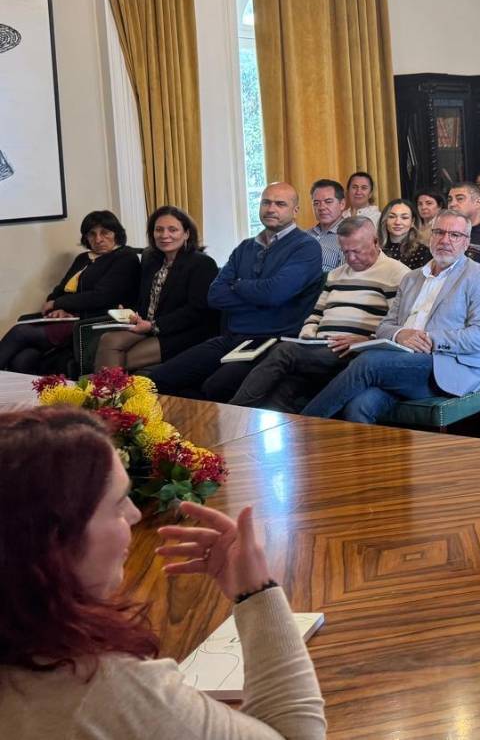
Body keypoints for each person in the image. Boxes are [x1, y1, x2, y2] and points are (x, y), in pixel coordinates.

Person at [0, 407, 327, 739]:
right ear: (53, 541)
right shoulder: (101, 693)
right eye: (118, 504)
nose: (135, 515)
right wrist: (257, 591)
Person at [300, 211, 480, 424]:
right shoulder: (411, 278)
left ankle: (303, 427)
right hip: (402, 361)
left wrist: (429, 339)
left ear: (466, 242)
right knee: (359, 406)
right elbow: (385, 326)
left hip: (445, 365)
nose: (445, 240)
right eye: (439, 232)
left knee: (368, 362)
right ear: (430, 236)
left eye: (455, 235)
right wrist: (401, 334)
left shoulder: (479, 276)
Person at [150, 182, 322, 402]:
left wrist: (239, 285)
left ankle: (210, 421)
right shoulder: (245, 247)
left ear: (295, 210)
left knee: (215, 387)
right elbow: (215, 295)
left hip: (271, 341)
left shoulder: (306, 247)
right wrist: (261, 296)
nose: (271, 209)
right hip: (232, 337)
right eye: (266, 202)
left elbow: (274, 294)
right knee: (157, 380)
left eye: (280, 204)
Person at [232, 217, 409, 414]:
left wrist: (369, 340)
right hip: (319, 347)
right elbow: (315, 315)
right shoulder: (336, 274)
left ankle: (235, 412)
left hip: (354, 352)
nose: (351, 258)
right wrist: (308, 337)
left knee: (284, 351)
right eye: (345, 252)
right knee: (282, 392)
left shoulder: (397, 274)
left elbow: (397, 325)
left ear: (375, 242)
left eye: (356, 251)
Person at [0, 210, 141, 374]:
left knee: (20, 332)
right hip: (70, 318)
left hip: (94, 321)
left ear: (116, 233)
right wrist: (58, 308)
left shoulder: (125, 257)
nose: (98, 239)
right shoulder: (83, 258)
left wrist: (59, 303)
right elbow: (60, 289)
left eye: (105, 233)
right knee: (23, 358)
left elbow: (102, 296)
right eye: (92, 234)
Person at [94, 206, 219, 372]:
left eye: (172, 230)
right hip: (148, 327)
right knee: (108, 339)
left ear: (186, 234)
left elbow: (197, 311)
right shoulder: (151, 261)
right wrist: (131, 312)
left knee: (119, 359)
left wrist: (153, 325)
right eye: (159, 230)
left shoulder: (202, 263)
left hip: (184, 332)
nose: (164, 235)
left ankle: (104, 388)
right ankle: (106, 387)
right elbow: (145, 300)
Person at [377, 198, 431, 270]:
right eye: (392, 217)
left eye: (404, 218)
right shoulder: (375, 248)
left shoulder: (423, 252)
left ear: (412, 222)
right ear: (385, 220)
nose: (397, 222)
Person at [308, 179, 347, 272]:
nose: (321, 207)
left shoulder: (350, 237)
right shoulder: (303, 235)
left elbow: (345, 277)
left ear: (342, 204)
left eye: (328, 201)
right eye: (316, 203)